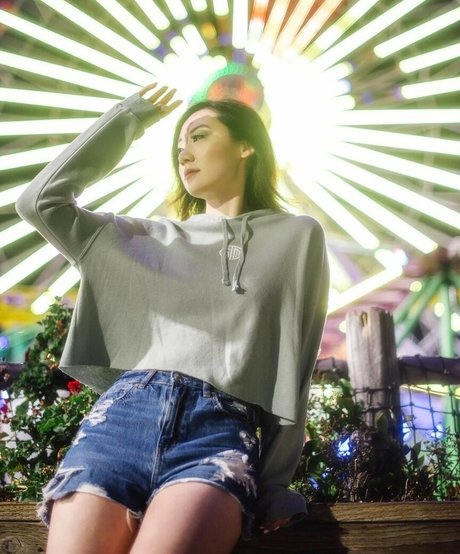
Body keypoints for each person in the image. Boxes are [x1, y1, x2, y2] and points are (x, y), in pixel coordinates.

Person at [15, 82, 329, 554]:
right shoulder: (139, 238)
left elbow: (295, 367)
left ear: (247, 146)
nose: (184, 154)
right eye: (178, 145)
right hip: (121, 421)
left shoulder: (297, 237)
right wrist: (129, 119)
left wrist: (274, 483)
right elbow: (39, 202)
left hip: (218, 430)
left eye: (199, 136)